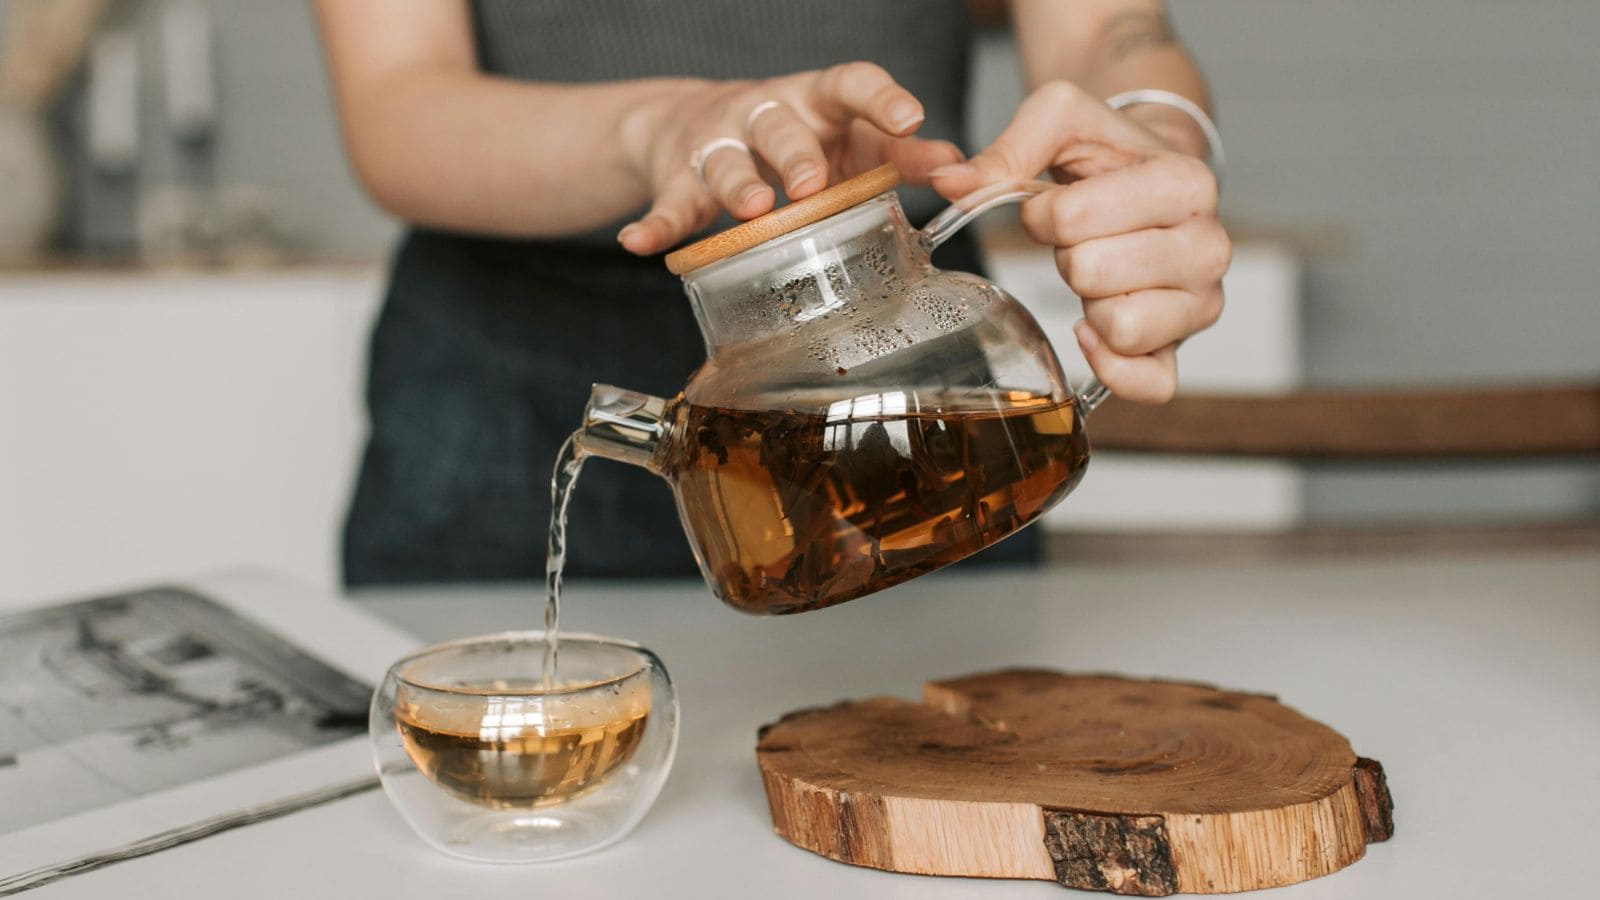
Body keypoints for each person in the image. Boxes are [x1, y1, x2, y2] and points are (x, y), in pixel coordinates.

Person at [315, 0, 1230, 586]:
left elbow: (1108, 31)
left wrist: (1153, 141)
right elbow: (396, 97)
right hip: (499, 401)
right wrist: (658, 129)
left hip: (907, 380)